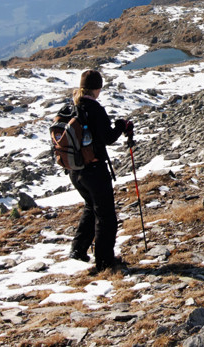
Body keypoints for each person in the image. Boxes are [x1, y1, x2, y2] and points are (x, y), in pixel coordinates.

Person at [60, 69, 133, 272]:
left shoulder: (71, 108)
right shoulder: (94, 108)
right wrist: (121, 126)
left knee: (91, 207)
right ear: (97, 88)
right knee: (106, 216)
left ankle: (78, 250)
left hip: (75, 171)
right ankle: (104, 262)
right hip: (94, 170)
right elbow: (108, 137)